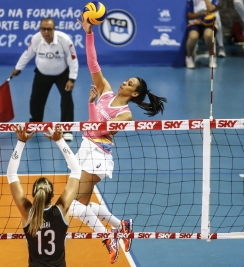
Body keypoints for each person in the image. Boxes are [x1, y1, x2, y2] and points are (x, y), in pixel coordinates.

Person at [70, 19, 167, 264]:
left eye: (131, 84)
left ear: (134, 94)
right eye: (127, 79)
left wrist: (91, 105)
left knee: (71, 206)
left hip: (98, 156)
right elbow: (93, 63)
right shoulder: (106, 91)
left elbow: (98, 129)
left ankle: (107, 237)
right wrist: (89, 33)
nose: (126, 82)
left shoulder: (126, 115)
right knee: (83, 204)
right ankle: (121, 224)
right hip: (85, 148)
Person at [6, 126, 81, 267]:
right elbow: (76, 171)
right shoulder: (61, 209)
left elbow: (11, 175)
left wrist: (20, 142)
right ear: (52, 194)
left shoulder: (28, 212)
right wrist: (60, 141)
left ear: (33, 194)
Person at [10, 17, 79, 142]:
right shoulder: (36, 39)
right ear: (40, 29)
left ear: (54, 29)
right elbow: (27, 54)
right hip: (42, 74)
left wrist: (72, 79)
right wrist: (18, 68)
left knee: (67, 99)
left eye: (49, 29)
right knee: (36, 99)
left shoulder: (65, 40)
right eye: (43, 29)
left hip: (62, 74)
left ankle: (66, 129)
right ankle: (35, 124)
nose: (46, 32)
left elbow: (73, 59)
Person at [185, 0, 219, 69]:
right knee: (193, 36)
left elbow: (211, 9)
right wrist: (200, 14)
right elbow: (189, 16)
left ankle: (212, 56)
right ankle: (189, 57)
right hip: (195, 23)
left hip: (208, 23)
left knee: (208, 35)